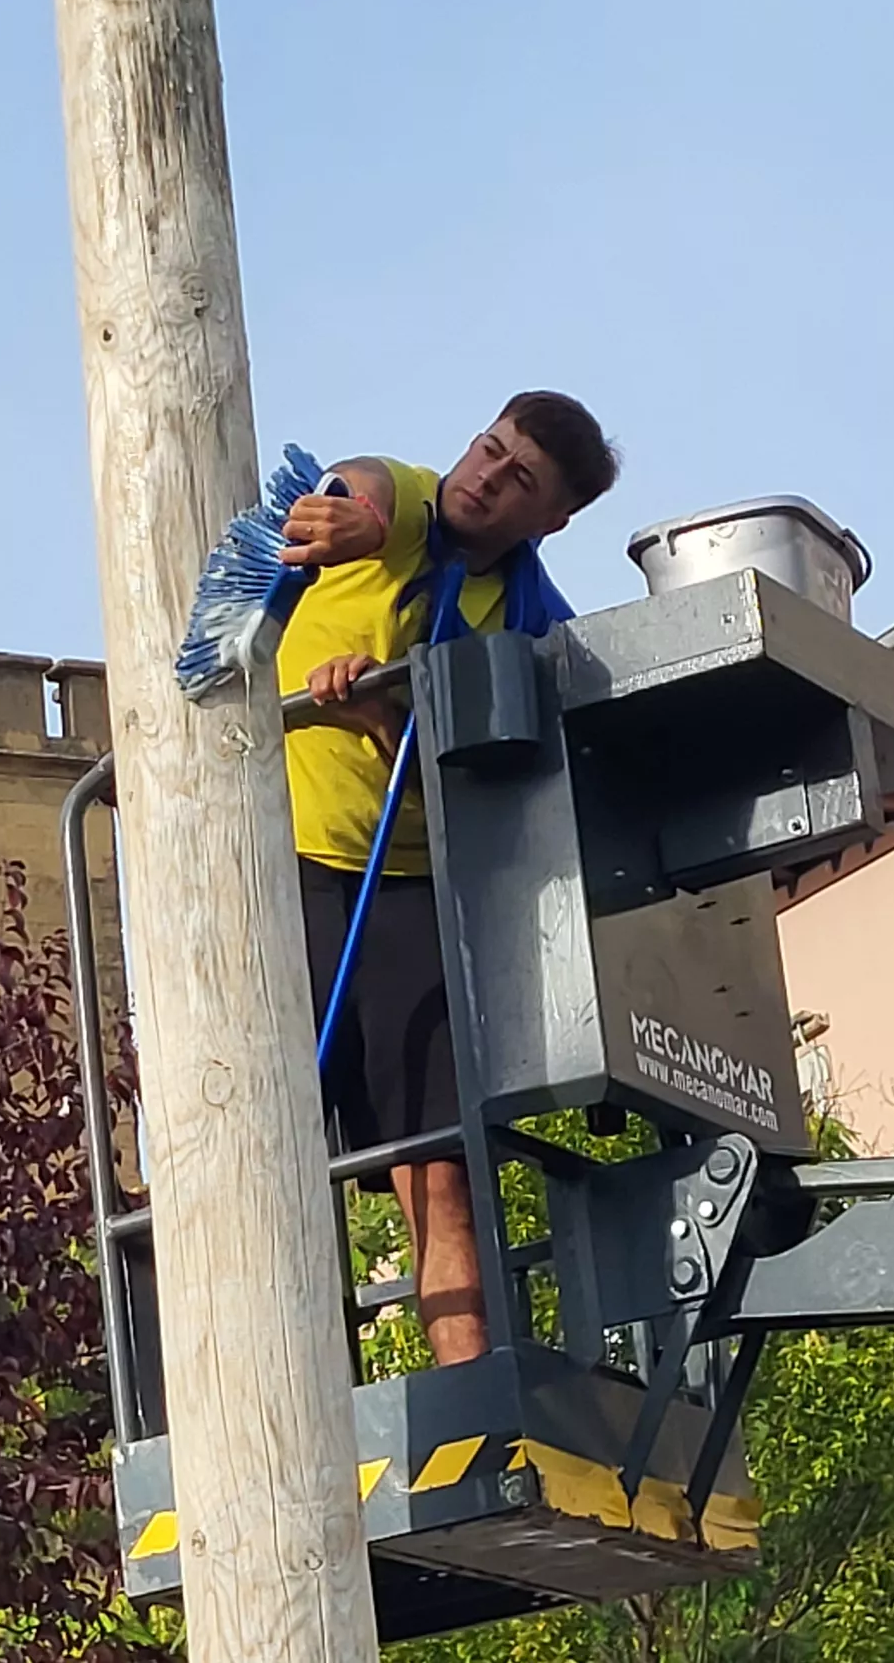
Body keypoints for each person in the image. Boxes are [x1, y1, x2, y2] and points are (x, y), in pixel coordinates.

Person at [274, 389, 619, 1366]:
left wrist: (383, 722)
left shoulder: (528, 628)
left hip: (405, 889)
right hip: (275, 862)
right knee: (258, 1142)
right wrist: (355, 515)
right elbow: (373, 490)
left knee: (434, 1168)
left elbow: (489, 782)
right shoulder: (413, 508)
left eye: (518, 480)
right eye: (487, 449)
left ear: (552, 521)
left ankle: (472, 1389)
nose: (486, 478)